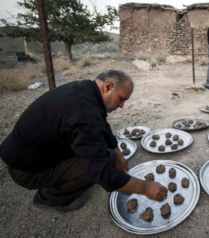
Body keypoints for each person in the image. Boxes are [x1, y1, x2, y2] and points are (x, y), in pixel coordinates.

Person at [0, 70, 168, 213]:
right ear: (108, 86)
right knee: (97, 167)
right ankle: (50, 198)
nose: (122, 105)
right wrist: (145, 188)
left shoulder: (84, 91)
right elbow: (100, 172)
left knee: (109, 156)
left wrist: (118, 153)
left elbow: (101, 123)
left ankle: (61, 184)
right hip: (26, 170)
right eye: (121, 98)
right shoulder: (83, 113)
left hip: (33, 153)